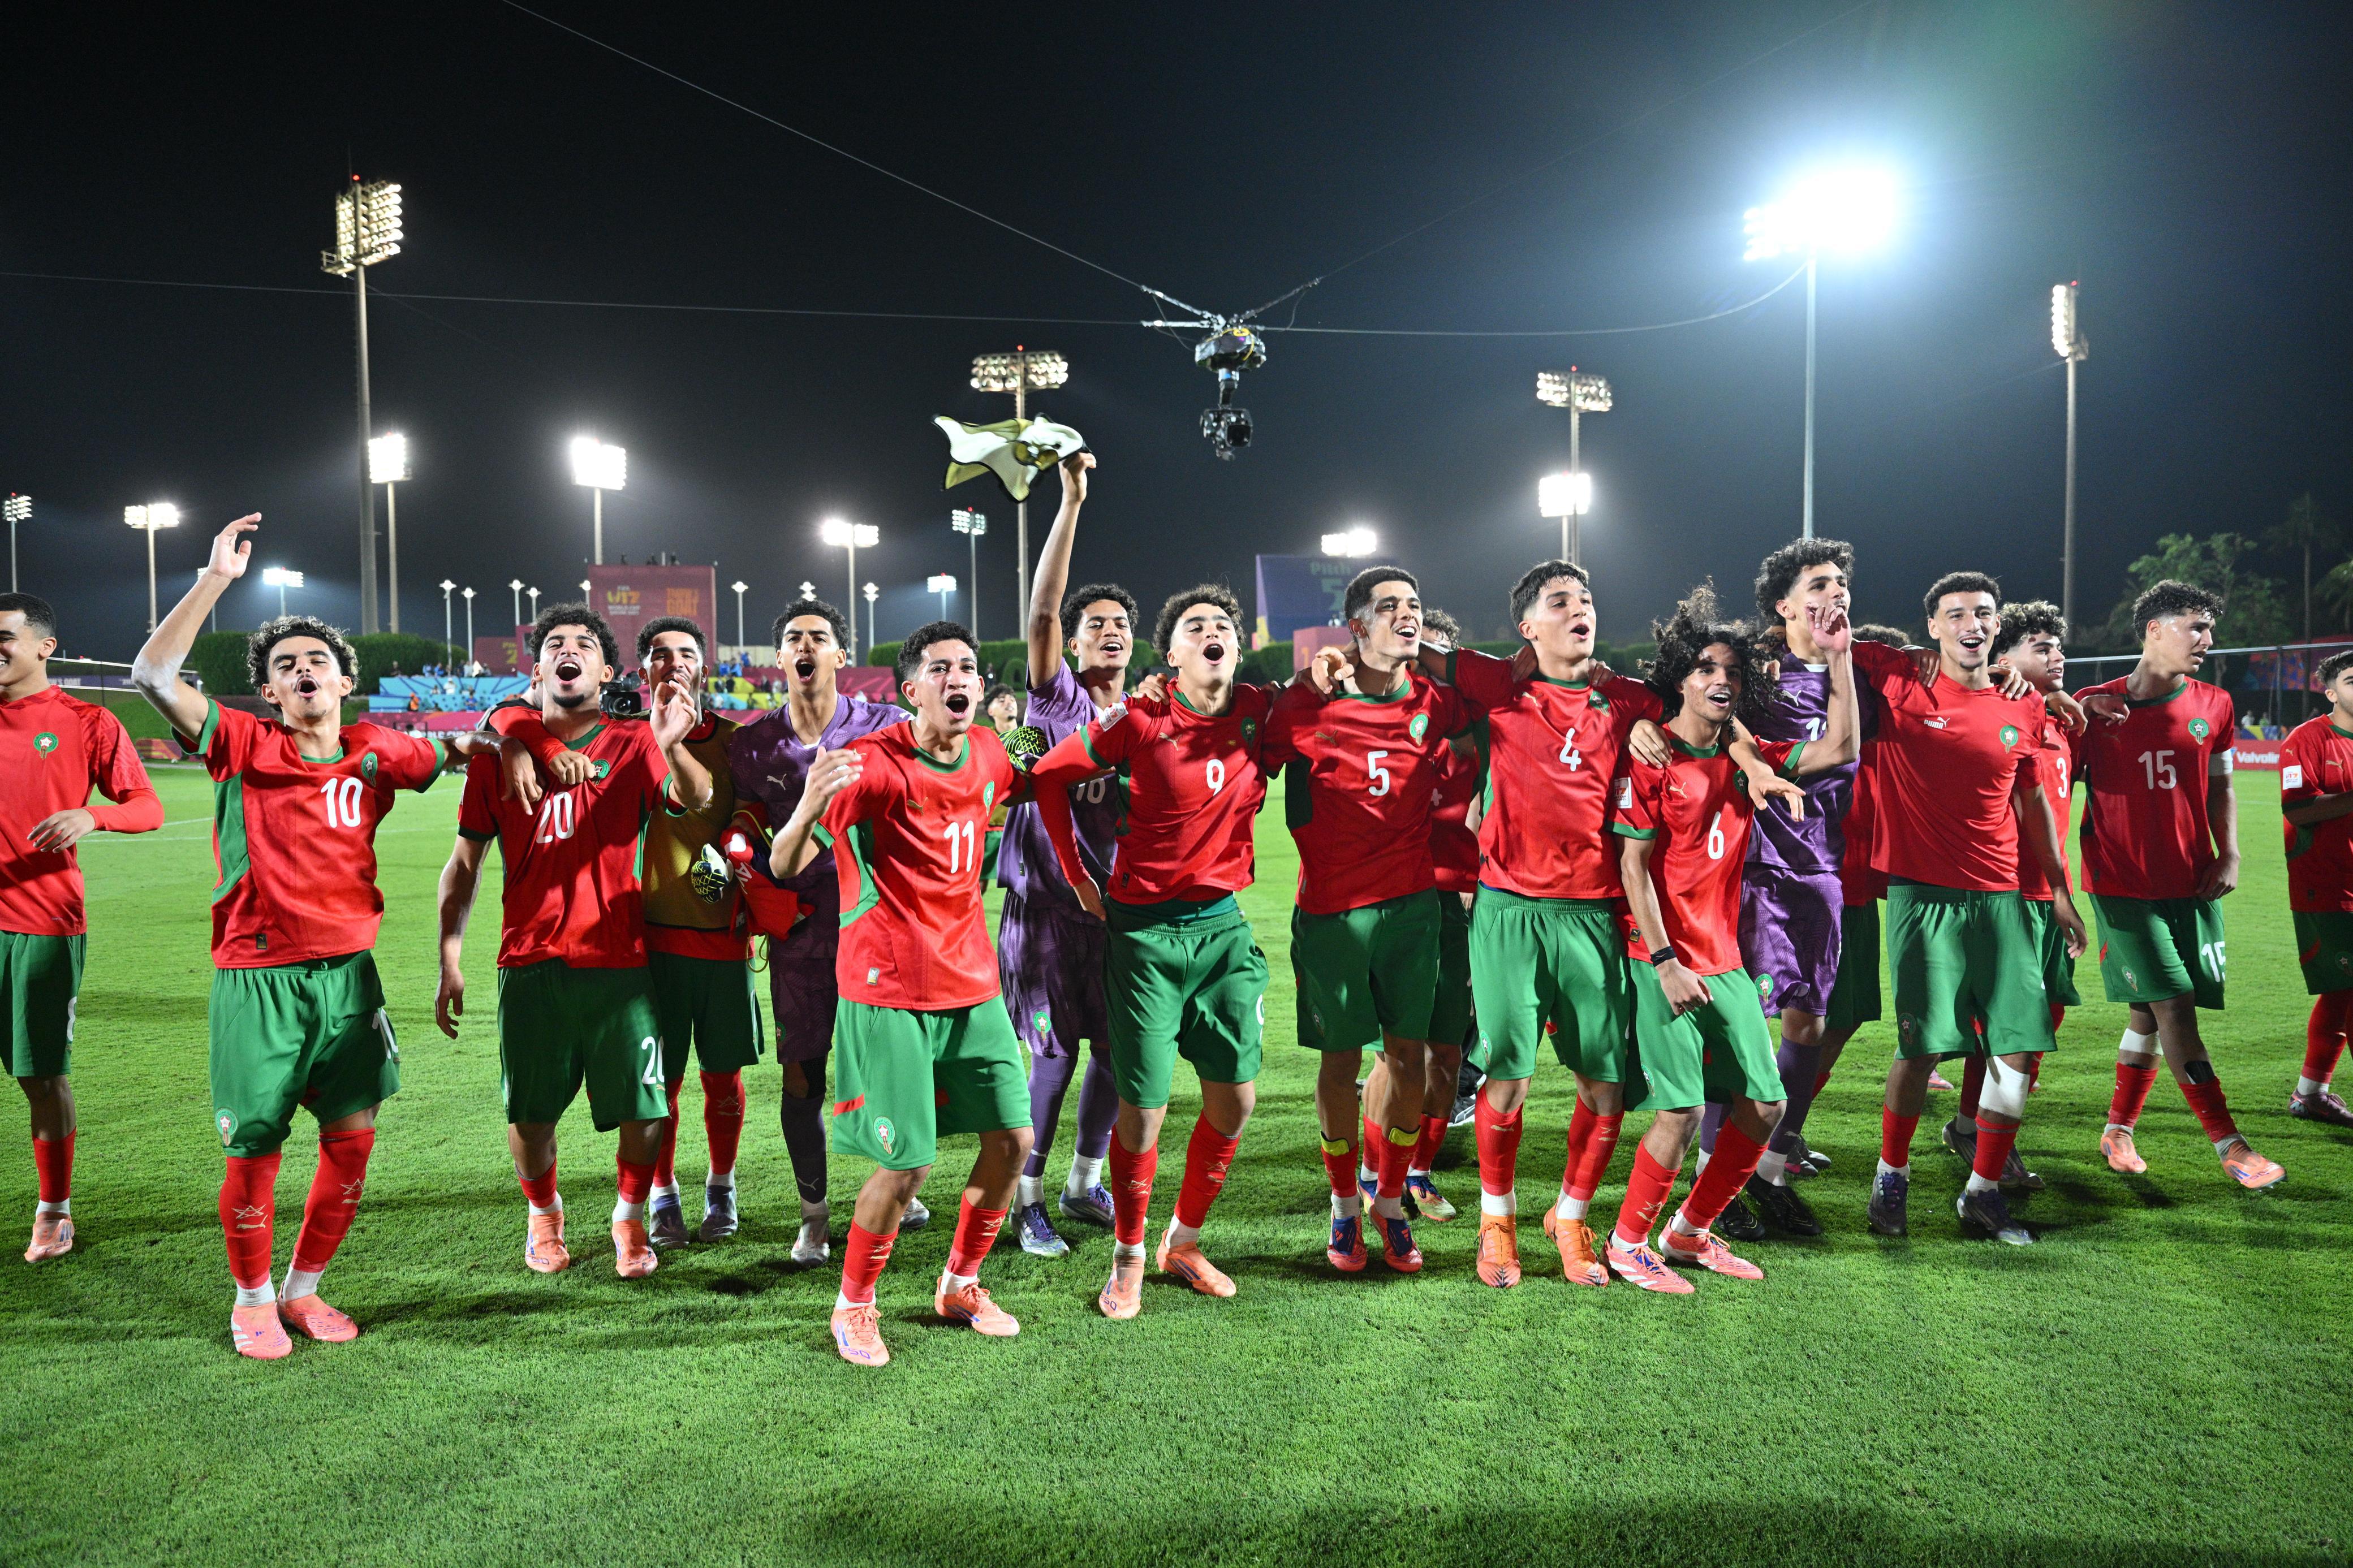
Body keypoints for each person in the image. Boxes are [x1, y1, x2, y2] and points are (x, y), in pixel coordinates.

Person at [1411, 560, 1792, 1289]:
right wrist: (1345, 652)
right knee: (1507, 1077)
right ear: (1528, 625)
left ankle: (1572, 1216)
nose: (1578, 609)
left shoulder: (1625, 697)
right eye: (1559, 602)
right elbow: (1412, 654)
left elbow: (1712, 704)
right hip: (1507, 912)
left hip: (1592, 915)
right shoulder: (1500, 684)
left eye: (1584, 598)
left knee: (1604, 1089)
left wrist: (1744, 752)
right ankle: (1497, 1221)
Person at [133, 515, 453, 1358]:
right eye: (284, 666)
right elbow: (153, 672)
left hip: (350, 977)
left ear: (347, 679)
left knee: (353, 1141)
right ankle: (250, 1300)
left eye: (317, 660)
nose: (302, 670)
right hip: (259, 980)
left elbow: (462, 753)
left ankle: (303, 1291)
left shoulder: (382, 751)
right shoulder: (240, 743)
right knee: (259, 1144)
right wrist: (214, 581)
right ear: (268, 694)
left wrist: (519, 743)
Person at [765, 622, 1036, 1367]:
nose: (959, 677)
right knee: (908, 1164)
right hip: (889, 990)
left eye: (969, 668)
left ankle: (959, 1283)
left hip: (973, 983)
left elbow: (1035, 776)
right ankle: (854, 1304)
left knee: (1013, 1141)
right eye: (940, 668)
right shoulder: (873, 769)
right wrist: (805, 805)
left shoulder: (988, 751)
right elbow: (787, 863)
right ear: (909, 690)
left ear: (981, 689)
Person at [434, 603, 711, 1281]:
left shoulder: (633, 743)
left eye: (583, 644)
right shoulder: (500, 756)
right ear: (537, 671)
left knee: (645, 1108)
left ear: (605, 670)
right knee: (529, 1114)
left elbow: (695, 798)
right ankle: (544, 1214)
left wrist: (672, 742)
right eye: (554, 644)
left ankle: (628, 1216)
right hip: (530, 962)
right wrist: (448, 956)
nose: (568, 650)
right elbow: (464, 863)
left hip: (619, 960)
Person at [1030, 585, 1270, 1320]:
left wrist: (1329, 670)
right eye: (1195, 625)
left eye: (1222, 624)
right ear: (1170, 654)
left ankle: (1185, 1241)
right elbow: (1046, 777)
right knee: (1146, 1107)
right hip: (1144, 936)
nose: (1212, 632)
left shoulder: (1262, 712)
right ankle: (1128, 1255)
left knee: (1237, 1098)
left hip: (1223, 927)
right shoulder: (1137, 718)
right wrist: (1079, 878)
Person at [1606, 586, 1854, 1292]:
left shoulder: (1752, 759)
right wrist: (1661, 963)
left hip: (1725, 960)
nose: (1721, 682)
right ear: (1680, 678)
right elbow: (1632, 867)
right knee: (1681, 1112)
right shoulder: (1651, 757)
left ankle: (1688, 1232)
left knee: (1766, 1104)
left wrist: (1837, 660)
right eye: (1706, 670)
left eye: (1733, 674)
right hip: (1662, 959)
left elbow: (1840, 746)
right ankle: (1627, 1243)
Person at [485, 616, 759, 1248]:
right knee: (660, 1087)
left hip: (723, 937)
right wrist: (515, 736)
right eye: (658, 655)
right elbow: (509, 711)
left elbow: (743, 805)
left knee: (723, 1077)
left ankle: (722, 1187)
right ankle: (657, 1200)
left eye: (685, 653)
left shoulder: (737, 740)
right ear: (639, 672)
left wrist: (747, 850)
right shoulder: (634, 737)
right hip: (647, 938)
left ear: (703, 666)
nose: (672, 663)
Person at [1853, 573, 2084, 1246]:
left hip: (2001, 898)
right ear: (1932, 626)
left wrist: (2060, 893)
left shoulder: (2024, 706)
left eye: (1982, 613)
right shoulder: (1901, 678)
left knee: (2016, 1048)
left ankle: (1981, 1191)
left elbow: (2033, 803)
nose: (1970, 624)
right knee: (1922, 1047)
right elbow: (1824, 638)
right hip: (1921, 897)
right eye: (1954, 614)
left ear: (1996, 623)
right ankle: (1889, 1176)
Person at [1277, 566, 1469, 1275]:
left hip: (1411, 908)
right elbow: (1242, 744)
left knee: (1409, 1058)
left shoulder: (1431, 700)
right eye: (1387, 607)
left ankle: (1389, 1200)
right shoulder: (1310, 705)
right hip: (1331, 913)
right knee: (1338, 1062)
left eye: (1412, 605)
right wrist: (1307, 675)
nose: (1405, 615)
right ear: (1355, 627)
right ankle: (1343, 1206)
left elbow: (1509, 695)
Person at [726, 598, 923, 1264]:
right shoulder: (753, 747)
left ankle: (894, 1172)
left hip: (883, 932)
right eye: (792, 638)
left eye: (819, 637)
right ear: (778, 659)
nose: (805, 646)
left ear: (842, 654)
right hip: (804, 938)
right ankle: (814, 1215)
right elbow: (743, 838)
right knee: (803, 1078)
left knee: (890, 1069)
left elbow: (958, 752)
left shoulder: (888, 726)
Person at [2075, 581, 2282, 1189]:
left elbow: (2220, 787)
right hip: (2120, 885)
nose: (2207, 640)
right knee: (2174, 1005)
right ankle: (2231, 1145)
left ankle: (2117, 1129)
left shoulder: (2215, 704)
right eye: (2194, 626)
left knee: (2146, 1011)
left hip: (2190, 880)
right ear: (2153, 630)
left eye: (2208, 629)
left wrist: (2230, 853)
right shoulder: (2093, 704)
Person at [2, 592, 163, 1262]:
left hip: (41, 925)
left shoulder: (85, 721)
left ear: (44, 646)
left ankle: (54, 1209)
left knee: (41, 1076)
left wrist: (91, 816)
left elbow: (147, 805)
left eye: (3, 637)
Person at [1715, 539, 1868, 1242]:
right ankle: (1718, 1185)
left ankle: (1770, 1170)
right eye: (1817, 583)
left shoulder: (1851, 669)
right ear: (1783, 605)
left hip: (1824, 872)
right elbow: (1726, 726)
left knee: (1807, 1024)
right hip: (1760, 871)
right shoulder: (1753, 675)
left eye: (1840, 582)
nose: (1834, 592)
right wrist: (1746, 756)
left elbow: (1849, 749)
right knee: (1745, 1032)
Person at [999, 452, 1130, 1258]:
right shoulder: (1059, 699)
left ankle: (1085, 1181)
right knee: (1053, 1057)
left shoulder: (1153, 712)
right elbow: (1043, 610)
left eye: (1120, 623)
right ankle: (1027, 1198)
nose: (1108, 631)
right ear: (1074, 644)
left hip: (1118, 917)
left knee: (1118, 1052)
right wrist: (1073, 498)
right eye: (1095, 625)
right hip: (1046, 917)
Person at [1941, 602, 2076, 1189]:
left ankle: (1974, 1127)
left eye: (2057, 647)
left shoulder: (2059, 723)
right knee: (2006, 1029)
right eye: (2041, 647)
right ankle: (1980, 1140)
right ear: (2004, 659)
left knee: (2041, 1019)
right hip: (2003, 892)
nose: (2056, 657)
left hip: (2046, 897)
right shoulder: (1994, 711)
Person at [2279, 649, 2353, 1126]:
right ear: (2330, 692)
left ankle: (2311, 1093)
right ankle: (2311, 1094)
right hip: (2327, 886)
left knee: (2341, 994)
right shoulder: (2306, 739)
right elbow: (2299, 809)